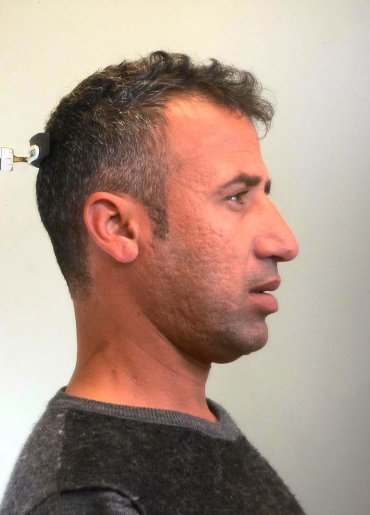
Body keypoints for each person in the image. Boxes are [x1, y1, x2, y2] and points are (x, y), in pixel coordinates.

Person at [1, 51, 303, 514]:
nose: (284, 242)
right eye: (236, 197)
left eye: (264, 195)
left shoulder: (195, 431)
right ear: (118, 228)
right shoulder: (87, 499)